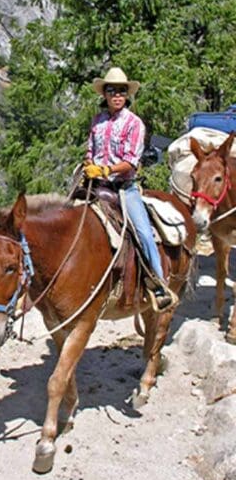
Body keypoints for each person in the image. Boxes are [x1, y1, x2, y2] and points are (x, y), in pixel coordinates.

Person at [82, 67, 176, 311]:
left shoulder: (134, 123)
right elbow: (90, 152)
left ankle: (159, 284)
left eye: (121, 91)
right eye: (112, 90)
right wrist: (90, 165)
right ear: (105, 94)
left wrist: (105, 170)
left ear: (127, 95)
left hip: (124, 188)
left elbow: (131, 161)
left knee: (144, 233)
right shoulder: (97, 122)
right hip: (96, 186)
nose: (117, 95)